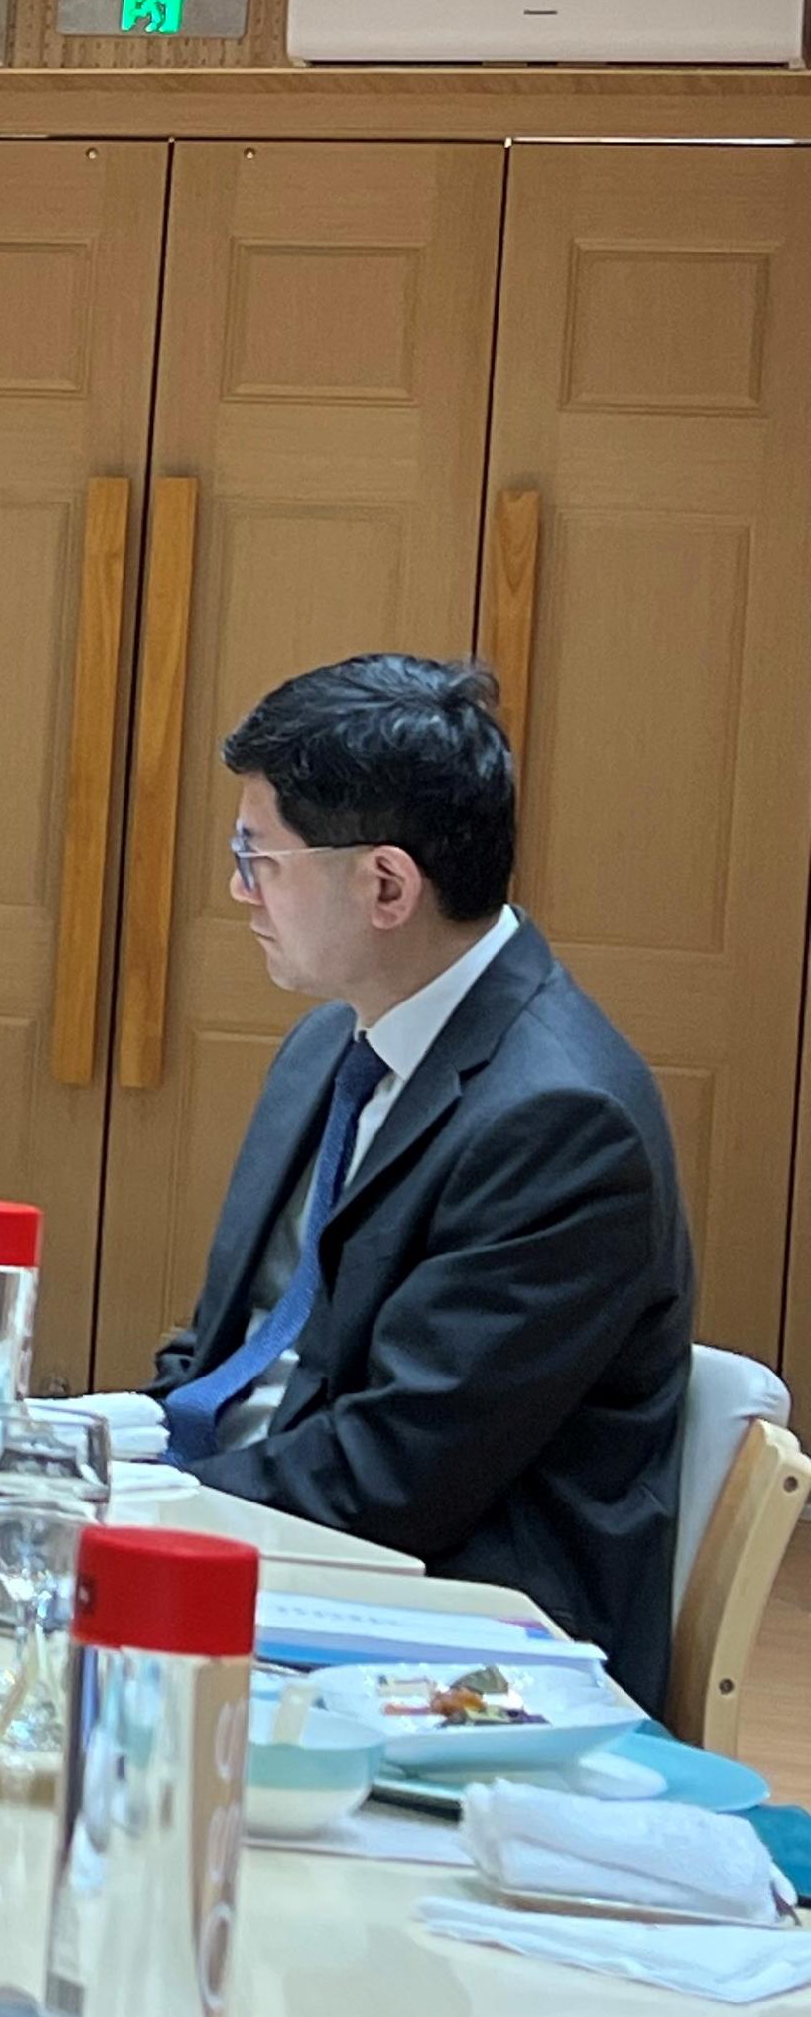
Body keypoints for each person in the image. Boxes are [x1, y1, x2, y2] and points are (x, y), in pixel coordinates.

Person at [145, 654, 689, 1709]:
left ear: (385, 884)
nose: (236, 888)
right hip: (283, 1563)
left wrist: (140, 1515)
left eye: (258, 855)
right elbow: (219, 1357)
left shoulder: (561, 1121)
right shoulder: (325, 1050)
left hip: (456, 1648)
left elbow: (388, 1480)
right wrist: (92, 1455)